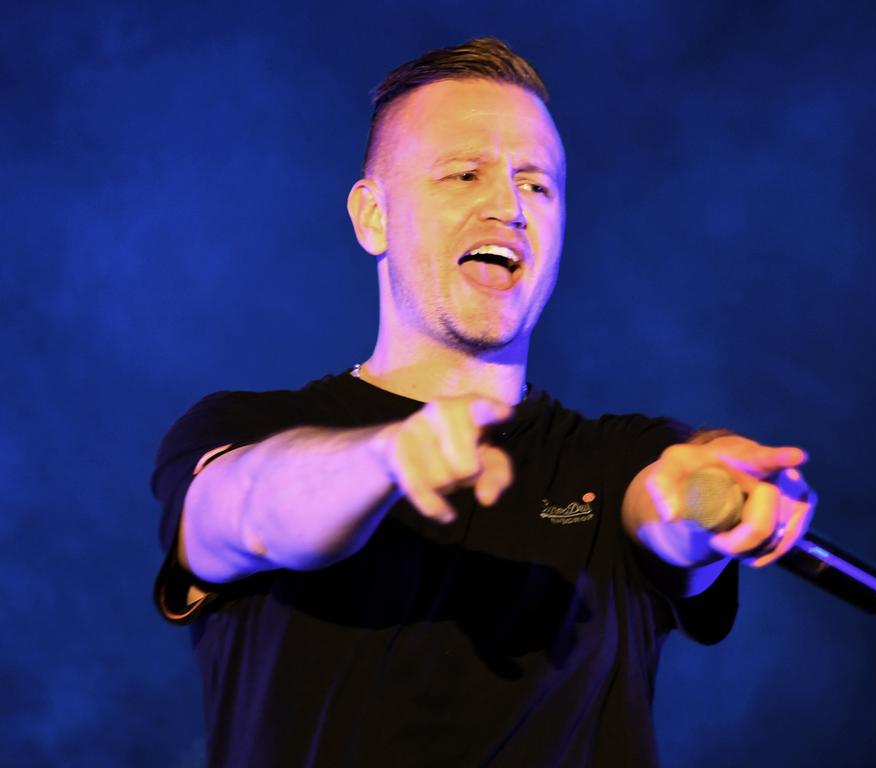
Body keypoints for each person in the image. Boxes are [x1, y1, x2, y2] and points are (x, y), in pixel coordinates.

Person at [152, 37, 815, 767]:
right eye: (463, 174)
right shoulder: (245, 428)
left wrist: (707, 489)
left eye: (537, 185)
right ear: (373, 216)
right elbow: (243, 511)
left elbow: (666, 503)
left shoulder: (616, 457)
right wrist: (387, 457)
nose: (509, 206)